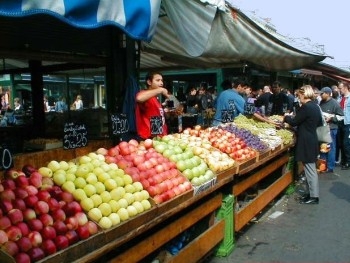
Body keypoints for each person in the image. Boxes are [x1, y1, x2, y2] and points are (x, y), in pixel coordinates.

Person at [284, 85, 322, 204]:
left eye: (299, 95)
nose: (298, 97)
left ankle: (314, 197)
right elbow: (319, 122)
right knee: (309, 168)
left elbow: (294, 121)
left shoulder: (306, 107)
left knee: (310, 169)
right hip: (312, 139)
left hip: (306, 141)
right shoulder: (315, 107)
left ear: (304, 94)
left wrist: (286, 117)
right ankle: (310, 193)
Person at [135, 71, 169, 140]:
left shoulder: (156, 98)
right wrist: (160, 90)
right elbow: (139, 98)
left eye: (162, 80)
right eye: (158, 80)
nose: (161, 83)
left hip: (159, 138)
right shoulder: (143, 93)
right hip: (148, 138)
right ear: (149, 82)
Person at [318, 87, 344, 173]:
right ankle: (322, 166)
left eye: (322, 93)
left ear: (328, 94)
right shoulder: (321, 102)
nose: (321, 95)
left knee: (331, 148)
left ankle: (330, 167)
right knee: (323, 148)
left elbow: (341, 116)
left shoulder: (335, 103)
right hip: (323, 128)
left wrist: (332, 118)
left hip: (332, 129)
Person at [338, 82, 350, 170]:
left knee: (346, 143)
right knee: (341, 143)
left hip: (348, 123)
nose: (339, 90)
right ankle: (343, 160)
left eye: (340, 88)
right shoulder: (340, 98)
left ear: (345, 88)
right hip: (341, 122)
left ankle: (348, 162)